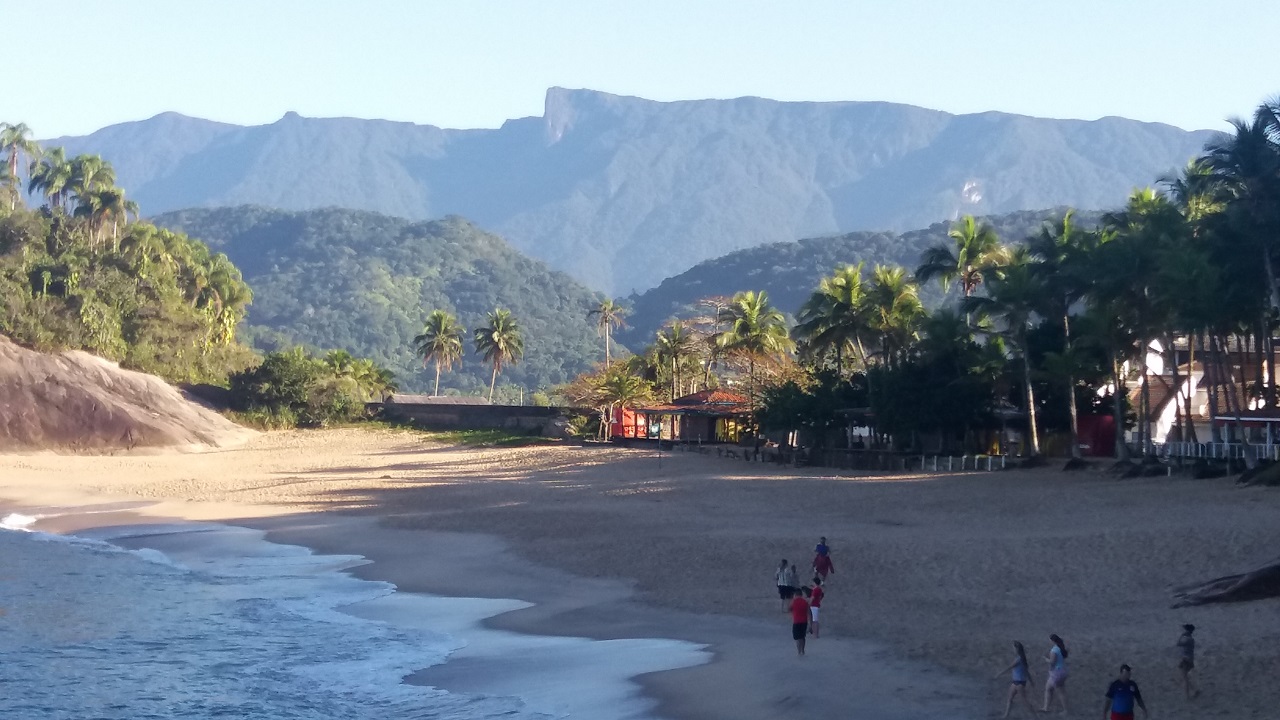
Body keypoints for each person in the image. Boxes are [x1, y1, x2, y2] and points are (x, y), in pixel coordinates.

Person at [993, 641, 1037, 718]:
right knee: (1010, 698)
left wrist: (999, 674)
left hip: (1019, 682)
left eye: (1013, 648)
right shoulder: (1022, 658)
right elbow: (1027, 672)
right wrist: (1031, 681)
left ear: (1017, 649)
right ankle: (1006, 715)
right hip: (1017, 682)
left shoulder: (1018, 659)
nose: (1013, 649)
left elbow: (1009, 667)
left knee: (1024, 701)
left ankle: (1035, 716)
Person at [1042, 633, 1069, 714]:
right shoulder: (1061, 648)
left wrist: (1045, 659)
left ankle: (1065, 710)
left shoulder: (1054, 650)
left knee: (1057, 691)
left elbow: (1052, 662)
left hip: (1056, 673)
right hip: (1063, 671)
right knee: (1051, 689)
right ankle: (1046, 707)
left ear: (1052, 641)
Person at [1177, 623, 1200, 700]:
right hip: (1189, 659)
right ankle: (1194, 690)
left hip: (1185, 659)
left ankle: (1188, 696)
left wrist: (1181, 636)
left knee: (1184, 678)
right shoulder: (1191, 639)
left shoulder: (1187, 639)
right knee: (1184, 677)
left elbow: (1178, 643)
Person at [789, 587, 811, 656]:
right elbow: (809, 613)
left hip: (796, 621)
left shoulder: (793, 602)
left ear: (795, 594)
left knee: (797, 638)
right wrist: (810, 623)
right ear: (801, 594)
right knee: (802, 636)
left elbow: (788, 609)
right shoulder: (805, 602)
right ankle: (803, 650)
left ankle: (799, 652)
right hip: (804, 621)